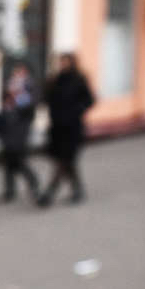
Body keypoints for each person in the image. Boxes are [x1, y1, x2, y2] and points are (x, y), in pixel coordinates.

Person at [39, 53, 95, 206]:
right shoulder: (55, 80)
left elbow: (89, 100)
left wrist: (76, 111)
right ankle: (78, 190)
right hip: (57, 129)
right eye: (61, 62)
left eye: (65, 62)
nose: (62, 65)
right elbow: (46, 99)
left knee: (64, 160)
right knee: (67, 162)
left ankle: (49, 194)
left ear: (72, 63)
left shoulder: (79, 80)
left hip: (72, 128)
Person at [0, 83, 39, 202]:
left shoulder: (22, 111)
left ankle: (32, 181)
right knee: (9, 167)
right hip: (8, 144)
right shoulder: (4, 113)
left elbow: (30, 113)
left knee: (19, 165)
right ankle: (10, 190)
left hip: (18, 144)